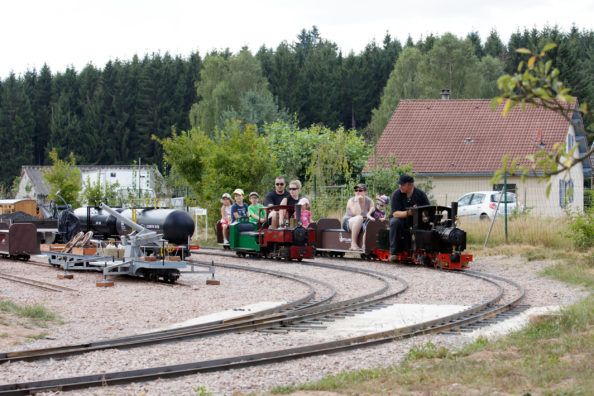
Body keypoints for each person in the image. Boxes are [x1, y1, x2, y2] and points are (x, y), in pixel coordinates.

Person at [389, 174, 430, 262]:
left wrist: (421, 213)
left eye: (403, 185)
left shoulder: (421, 194)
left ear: (410, 185)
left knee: (428, 225)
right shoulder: (396, 194)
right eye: (399, 184)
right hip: (401, 220)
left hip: (417, 220)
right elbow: (395, 213)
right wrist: (409, 212)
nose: (400, 187)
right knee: (395, 222)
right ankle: (394, 252)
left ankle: (426, 252)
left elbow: (428, 210)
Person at [342, 183, 375, 251]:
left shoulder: (369, 201)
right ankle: (353, 244)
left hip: (362, 223)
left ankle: (367, 246)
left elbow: (373, 210)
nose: (357, 192)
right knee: (359, 218)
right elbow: (357, 213)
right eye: (356, 190)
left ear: (365, 192)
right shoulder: (351, 201)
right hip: (348, 222)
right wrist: (357, 200)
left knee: (369, 223)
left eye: (360, 190)